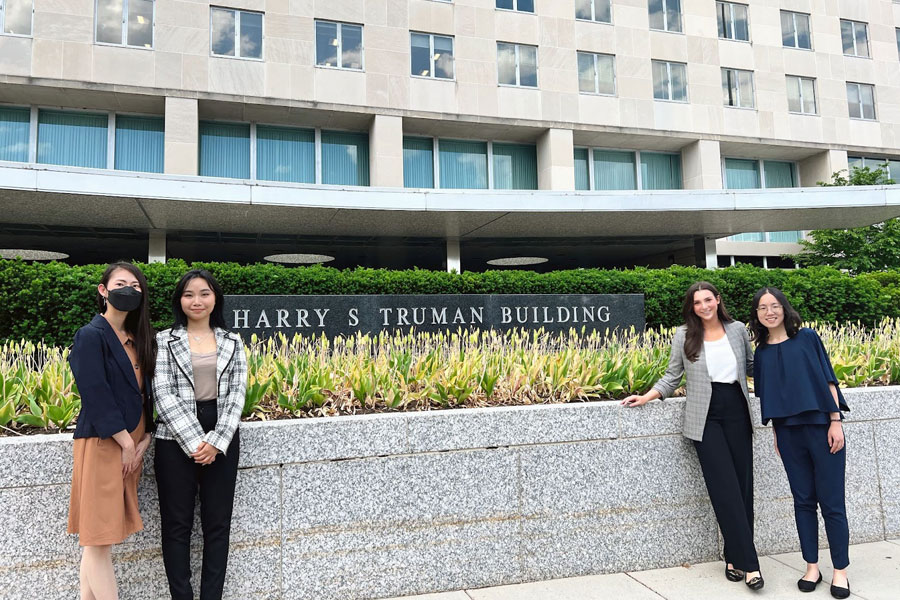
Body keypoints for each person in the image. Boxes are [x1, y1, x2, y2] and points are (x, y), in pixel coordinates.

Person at [622, 281, 763, 590]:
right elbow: (673, 376)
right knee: (724, 489)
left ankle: (733, 556)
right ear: (692, 307)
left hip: (737, 411)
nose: (703, 306)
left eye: (708, 300)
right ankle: (751, 565)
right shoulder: (684, 335)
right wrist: (647, 397)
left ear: (718, 300)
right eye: (697, 302)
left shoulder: (738, 330)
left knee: (742, 488)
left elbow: (753, 367)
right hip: (705, 418)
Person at [750, 287, 851, 598]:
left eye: (775, 305)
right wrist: (777, 435)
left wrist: (835, 421)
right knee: (803, 501)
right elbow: (769, 396)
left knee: (832, 503)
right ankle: (811, 566)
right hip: (788, 435)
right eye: (763, 307)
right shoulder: (762, 351)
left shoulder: (806, 338)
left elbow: (828, 378)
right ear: (756, 315)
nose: (769, 311)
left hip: (822, 427)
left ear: (784, 308)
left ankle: (840, 571)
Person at [152, 269, 247, 600]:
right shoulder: (163, 340)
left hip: (221, 433)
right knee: (177, 526)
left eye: (204, 293)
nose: (197, 300)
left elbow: (237, 395)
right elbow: (162, 393)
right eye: (189, 294)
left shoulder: (232, 341)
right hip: (173, 437)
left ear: (215, 298)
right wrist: (196, 442)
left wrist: (216, 442)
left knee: (217, 526)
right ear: (180, 300)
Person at [67, 261, 155, 600]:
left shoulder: (136, 339)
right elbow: (95, 392)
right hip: (106, 442)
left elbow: (146, 393)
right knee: (98, 539)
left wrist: (144, 440)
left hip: (132, 444)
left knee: (98, 538)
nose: (128, 291)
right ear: (103, 291)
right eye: (121, 284)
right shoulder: (91, 335)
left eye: (135, 286)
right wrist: (125, 443)